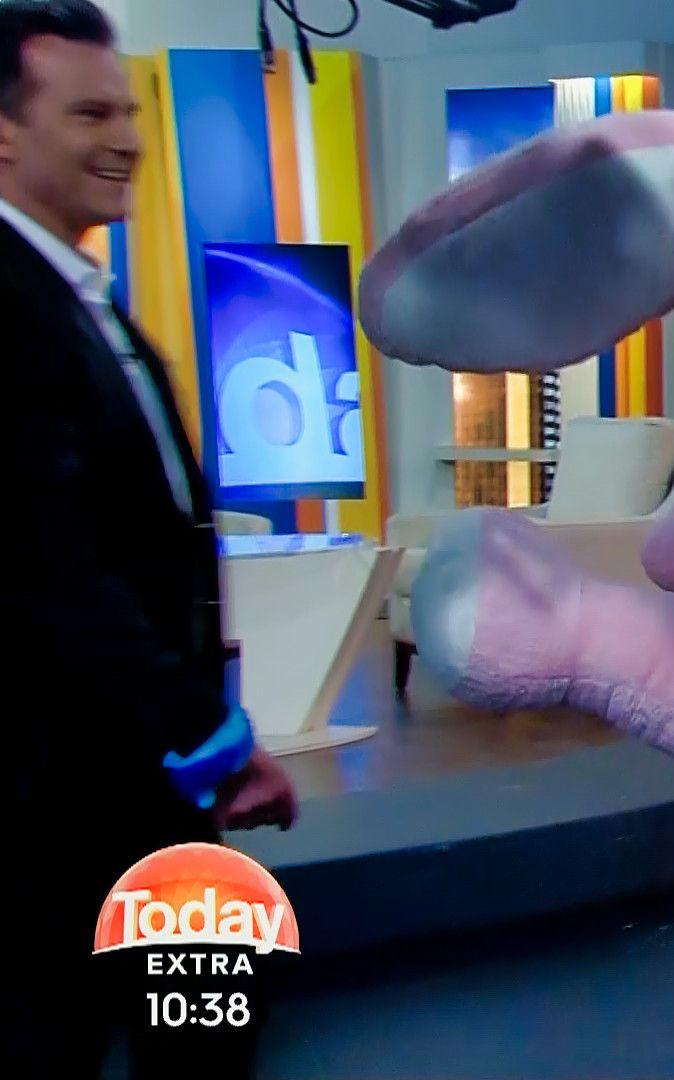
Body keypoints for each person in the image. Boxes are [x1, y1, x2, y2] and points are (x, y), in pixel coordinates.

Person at [0, 2, 298, 1076]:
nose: (126, 139)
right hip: (52, 802)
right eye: (90, 114)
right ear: (4, 133)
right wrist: (206, 733)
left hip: (148, 784)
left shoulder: (82, 299)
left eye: (127, 112)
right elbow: (50, 567)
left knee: (206, 1035)